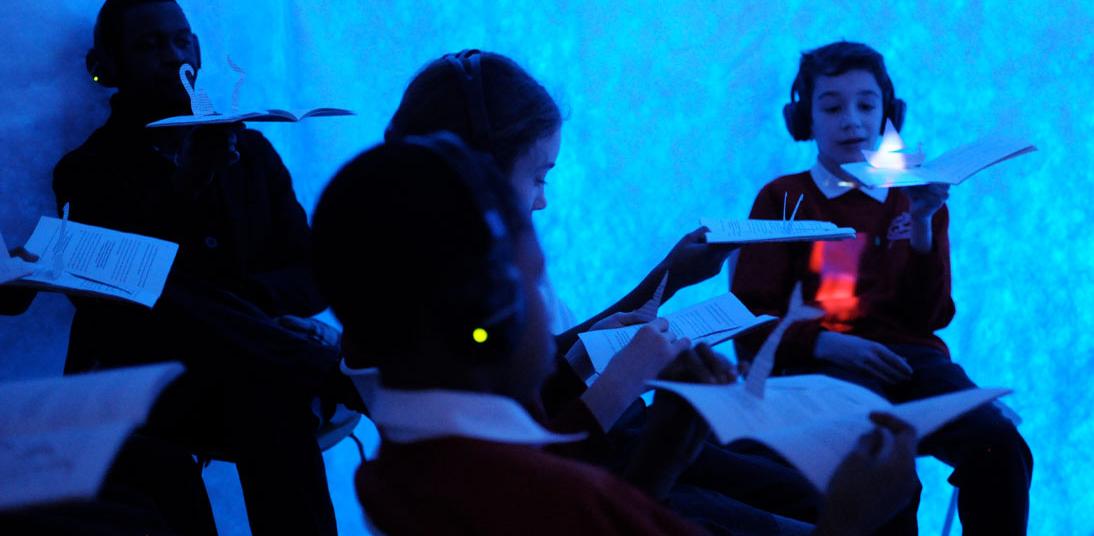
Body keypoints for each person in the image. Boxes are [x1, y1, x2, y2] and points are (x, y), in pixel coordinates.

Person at [310, 132, 921, 536]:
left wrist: (671, 437)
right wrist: (849, 520)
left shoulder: (405, 468)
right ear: (494, 317)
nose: (553, 316)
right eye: (539, 287)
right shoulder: (541, 498)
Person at [383, 50, 844, 531]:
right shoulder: (439, 320)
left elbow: (531, 380)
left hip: (610, 450)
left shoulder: (464, 285)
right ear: (477, 177)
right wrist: (627, 388)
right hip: (602, 472)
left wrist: (630, 313)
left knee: (809, 493)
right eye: (538, 178)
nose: (542, 202)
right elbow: (533, 485)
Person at [52, 0, 356, 536]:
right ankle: (343, 375)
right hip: (149, 382)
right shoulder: (86, 171)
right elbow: (117, 300)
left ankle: (308, 367)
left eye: (183, 41)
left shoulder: (253, 154)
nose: (175, 58)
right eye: (150, 45)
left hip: (256, 372)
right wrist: (186, 185)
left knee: (269, 396)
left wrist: (255, 306)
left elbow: (311, 275)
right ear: (106, 68)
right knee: (158, 290)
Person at [730, 40, 1032, 535]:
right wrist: (827, 342)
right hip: (821, 364)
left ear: (889, 113)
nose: (851, 120)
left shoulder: (916, 195)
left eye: (866, 105)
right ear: (803, 118)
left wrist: (920, 223)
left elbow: (929, 317)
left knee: (997, 443)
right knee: (880, 466)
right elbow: (751, 317)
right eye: (831, 106)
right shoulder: (783, 198)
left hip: (913, 360)